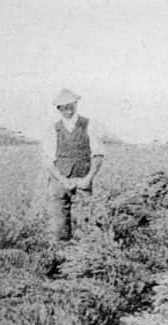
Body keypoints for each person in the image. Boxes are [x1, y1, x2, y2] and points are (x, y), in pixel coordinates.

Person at [43, 89, 107, 241]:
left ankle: (81, 260)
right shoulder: (52, 129)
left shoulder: (89, 125)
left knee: (84, 226)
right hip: (59, 183)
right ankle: (60, 259)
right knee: (58, 229)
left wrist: (88, 179)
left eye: (70, 105)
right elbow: (48, 161)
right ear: (58, 109)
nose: (67, 110)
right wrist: (63, 180)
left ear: (76, 104)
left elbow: (98, 155)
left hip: (82, 181)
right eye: (63, 107)